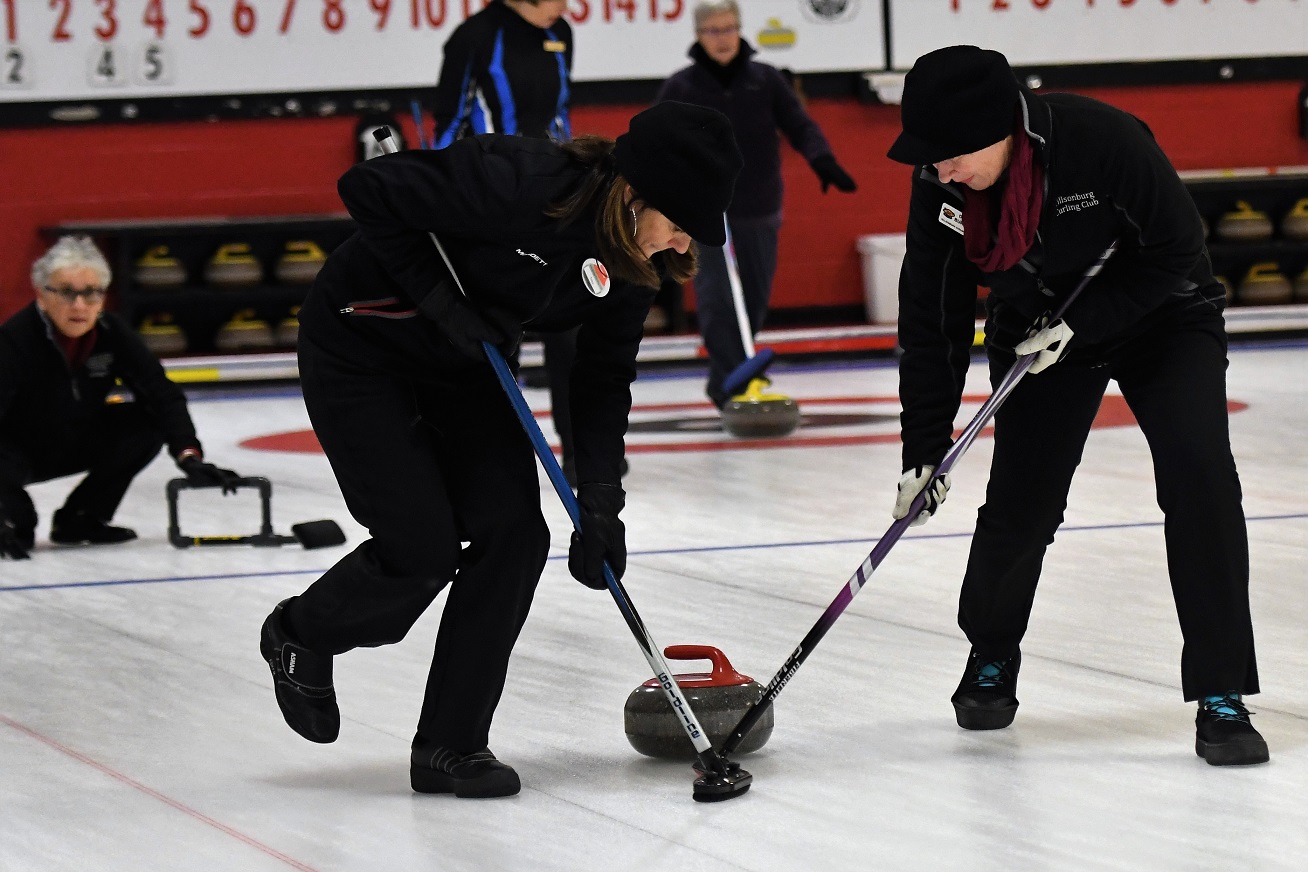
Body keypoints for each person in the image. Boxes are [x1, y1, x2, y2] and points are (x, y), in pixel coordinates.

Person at [259, 102, 742, 797]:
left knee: (515, 535)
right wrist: (441, 301)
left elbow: (602, 379)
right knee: (421, 547)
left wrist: (600, 501)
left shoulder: (635, 264)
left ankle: (450, 743)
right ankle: (301, 632)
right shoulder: (520, 181)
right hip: (362, 348)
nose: (678, 244)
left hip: (466, 366)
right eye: (679, 223)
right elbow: (366, 189)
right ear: (636, 193)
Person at [886, 45, 1267, 766]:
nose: (941, 171)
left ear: (998, 130)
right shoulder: (942, 186)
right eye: (931, 159)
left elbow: (1177, 245)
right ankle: (992, 652)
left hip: (1163, 315)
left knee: (1201, 478)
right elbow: (932, 318)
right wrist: (923, 449)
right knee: (1023, 501)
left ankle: (1221, 691)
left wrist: (1086, 323)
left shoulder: (1103, 140)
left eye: (951, 155)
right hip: (1035, 326)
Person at [655, 0, 857, 409]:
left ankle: (730, 377)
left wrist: (822, 159)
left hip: (759, 205)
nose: (723, 39)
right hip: (705, 211)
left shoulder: (765, 80)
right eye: (713, 31)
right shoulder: (681, 88)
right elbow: (657, 141)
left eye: (729, 28)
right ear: (698, 35)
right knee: (717, 297)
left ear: (740, 29)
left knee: (754, 297)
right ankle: (734, 383)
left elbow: (799, 124)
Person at [0, 236, 242, 560]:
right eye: (67, 292)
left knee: (146, 424)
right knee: (20, 532)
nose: (79, 305)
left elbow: (161, 393)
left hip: (72, 438)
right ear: (42, 296)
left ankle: (82, 519)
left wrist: (189, 454)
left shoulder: (112, 333)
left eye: (91, 293)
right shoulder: (13, 341)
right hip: (14, 452)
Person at [428, 0, 591, 483]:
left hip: (555, 198)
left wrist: (581, 180)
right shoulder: (475, 36)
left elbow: (560, 115)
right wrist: (439, 193)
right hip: (492, 197)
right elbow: (450, 121)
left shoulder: (560, 32)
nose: (567, 5)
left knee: (569, 326)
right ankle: (497, 453)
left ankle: (580, 452)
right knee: (498, 329)